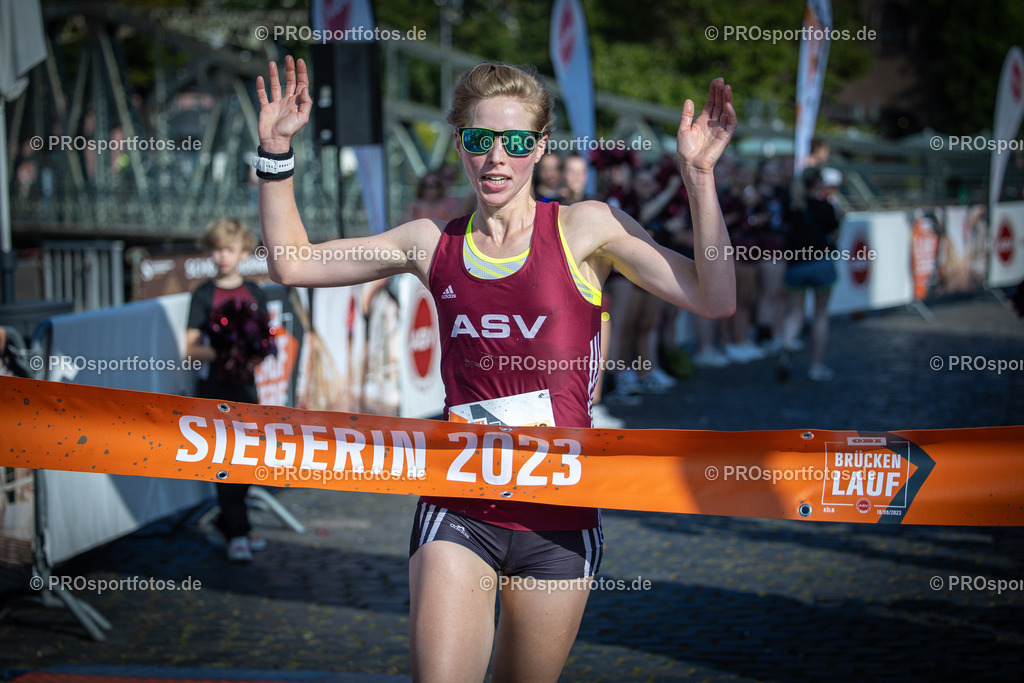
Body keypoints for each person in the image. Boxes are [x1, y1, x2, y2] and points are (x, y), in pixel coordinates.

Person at [255, 55, 736, 681]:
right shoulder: (431, 243)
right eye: (480, 142)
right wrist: (275, 153)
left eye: (513, 142)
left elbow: (715, 297)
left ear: (538, 148)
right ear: (461, 146)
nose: (495, 159)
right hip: (460, 507)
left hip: (560, 516)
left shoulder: (585, 228)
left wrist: (699, 177)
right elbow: (292, 264)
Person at [186, 218, 274, 562]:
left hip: (246, 388)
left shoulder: (256, 292)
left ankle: (234, 523)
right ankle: (237, 531)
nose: (223, 256)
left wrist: (252, 356)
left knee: (248, 457)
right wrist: (225, 352)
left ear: (243, 251)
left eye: (230, 249)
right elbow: (189, 347)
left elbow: (266, 341)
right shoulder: (203, 294)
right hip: (214, 387)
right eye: (217, 249)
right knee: (224, 459)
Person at [779, 167, 840, 382]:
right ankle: (815, 366)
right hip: (821, 264)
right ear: (818, 183)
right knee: (820, 315)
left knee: (794, 313)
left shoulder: (791, 206)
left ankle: (786, 348)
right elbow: (834, 232)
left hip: (795, 266)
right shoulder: (826, 207)